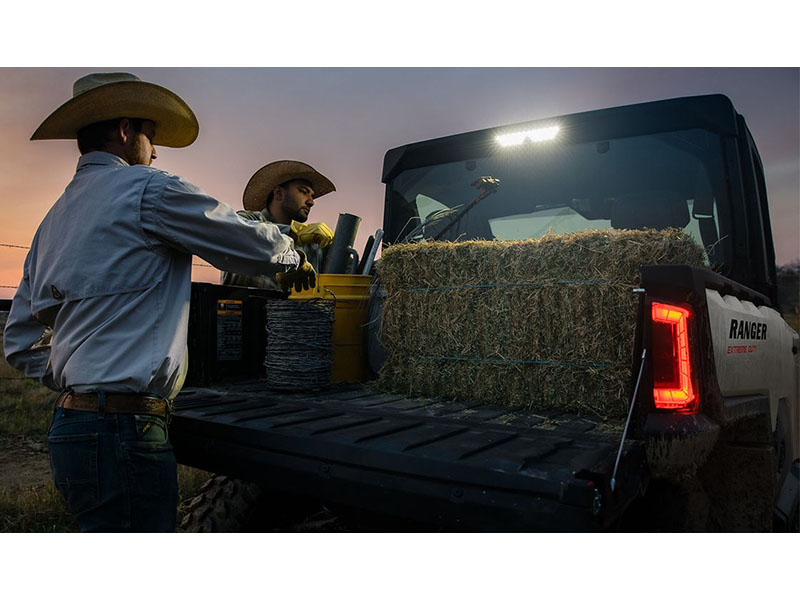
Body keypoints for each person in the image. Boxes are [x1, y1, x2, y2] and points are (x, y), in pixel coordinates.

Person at [2, 72, 316, 532]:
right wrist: (292, 254)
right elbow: (241, 240)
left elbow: (18, 342)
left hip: (70, 429)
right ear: (126, 131)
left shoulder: (53, 219)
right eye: (151, 136)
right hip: (124, 434)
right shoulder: (149, 190)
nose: (156, 150)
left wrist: (84, 380)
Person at [221, 160, 335, 291]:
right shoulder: (246, 219)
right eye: (303, 191)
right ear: (279, 193)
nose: (311, 202)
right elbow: (235, 231)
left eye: (312, 196)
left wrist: (335, 246)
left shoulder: (313, 243)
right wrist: (293, 232)